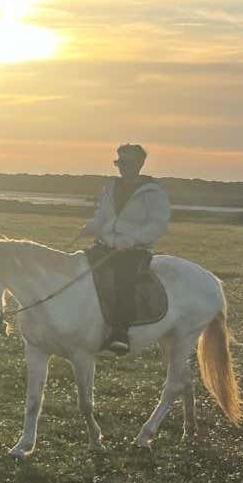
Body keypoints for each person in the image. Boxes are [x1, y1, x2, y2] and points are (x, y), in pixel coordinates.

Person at [79, 143, 169, 355]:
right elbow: (102, 215)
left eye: (126, 163)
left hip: (134, 251)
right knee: (79, 269)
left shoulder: (154, 192)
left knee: (123, 279)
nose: (121, 167)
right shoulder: (110, 187)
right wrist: (91, 226)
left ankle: (120, 333)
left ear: (140, 164)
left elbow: (157, 225)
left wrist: (130, 240)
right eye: (118, 162)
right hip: (105, 245)